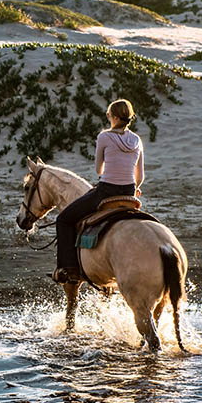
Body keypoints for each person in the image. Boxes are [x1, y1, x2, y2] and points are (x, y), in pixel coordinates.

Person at [53, 98, 144, 284]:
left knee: (63, 220)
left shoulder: (104, 137)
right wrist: (134, 187)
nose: (108, 118)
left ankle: (68, 269)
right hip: (129, 193)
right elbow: (140, 176)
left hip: (106, 191)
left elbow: (98, 170)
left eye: (109, 115)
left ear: (116, 117)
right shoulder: (136, 140)